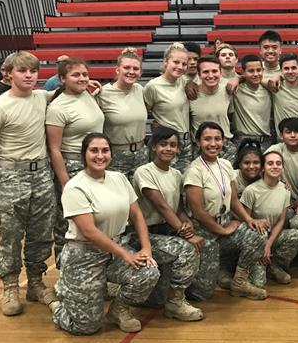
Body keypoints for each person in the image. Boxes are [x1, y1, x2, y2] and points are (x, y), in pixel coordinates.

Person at [47, 133, 160, 334]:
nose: (100, 156)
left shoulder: (119, 179)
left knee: (148, 272)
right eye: (94, 151)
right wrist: (125, 254)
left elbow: (136, 214)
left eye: (105, 151)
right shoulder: (75, 187)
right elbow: (89, 231)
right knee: (86, 327)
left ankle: (118, 311)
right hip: (84, 256)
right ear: (84, 155)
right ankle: (57, 303)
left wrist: (146, 249)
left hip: (114, 251)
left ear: (111, 154)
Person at [0, 51, 55, 316]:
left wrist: (88, 84)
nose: (29, 75)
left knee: (41, 234)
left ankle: (35, 282)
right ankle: (10, 286)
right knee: (10, 235)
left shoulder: (42, 98)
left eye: (33, 71)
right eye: (22, 71)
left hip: (41, 175)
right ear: (9, 74)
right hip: (10, 176)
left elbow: (67, 90)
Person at [184, 122, 267, 300]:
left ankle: (239, 283)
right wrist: (221, 230)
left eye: (217, 139)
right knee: (202, 294)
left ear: (223, 141)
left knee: (258, 234)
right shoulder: (194, 170)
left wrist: (248, 220)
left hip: (225, 224)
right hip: (204, 231)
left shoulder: (226, 165)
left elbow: (233, 200)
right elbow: (198, 212)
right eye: (207, 139)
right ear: (198, 142)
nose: (213, 144)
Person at [132, 126, 205, 321]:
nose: (168, 149)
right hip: (146, 234)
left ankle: (177, 291)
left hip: (168, 230)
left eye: (173, 145)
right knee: (186, 249)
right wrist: (186, 234)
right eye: (163, 144)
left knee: (157, 299)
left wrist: (187, 223)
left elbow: (178, 209)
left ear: (178, 149)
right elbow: (161, 206)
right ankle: (175, 303)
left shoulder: (176, 174)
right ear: (154, 147)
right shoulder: (144, 172)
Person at [46, 57, 105, 260]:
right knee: (69, 222)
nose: (82, 78)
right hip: (72, 166)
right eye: (76, 75)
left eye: (85, 74)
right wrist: (65, 182)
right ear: (62, 78)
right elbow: (54, 149)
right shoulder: (57, 107)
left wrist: (87, 84)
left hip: (94, 164)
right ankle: (64, 267)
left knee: (93, 218)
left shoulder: (87, 94)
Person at [241, 150, 298, 284]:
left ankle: (273, 266)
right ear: (263, 168)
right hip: (255, 238)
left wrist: (268, 244)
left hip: (272, 237)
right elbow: (245, 222)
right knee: (259, 283)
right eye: (270, 163)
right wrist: (262, 244)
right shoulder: (251, 191)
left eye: (278, 164)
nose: (275, 166)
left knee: (295, 235)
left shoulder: (285, 190)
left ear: (283, 168)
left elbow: (281, 220)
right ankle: (253, 266)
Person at [267, 117, 298, 268]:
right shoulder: (275, 150)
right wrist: (278, 182)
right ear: (281, 135)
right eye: (288, 132)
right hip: (282, 203)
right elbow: (263, 170)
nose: (293, 135)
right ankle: (278, 257)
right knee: (278, 217)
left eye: (297, 132)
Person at [98, 48, 147, 181]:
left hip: (141, 154)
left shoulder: (140, 90)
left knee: (140, 192)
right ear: (117, 70)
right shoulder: (102, 93)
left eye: (136, 69)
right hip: (116, 156)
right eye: (126, 67)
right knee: (117, 192)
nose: (131, 72)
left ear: (140, 72)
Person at [144, 42, 193, 173]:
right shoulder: (153, 86)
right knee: (165, 179)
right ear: (166, 61)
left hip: (187, 142)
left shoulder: (184, 81)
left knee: (184, 181)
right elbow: (143, 113)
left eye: (184, 64)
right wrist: (156, 128)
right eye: (176, 62)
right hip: (167, 143)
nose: (180, 67)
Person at [189, 55, 235, 162]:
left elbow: (231, 116)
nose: (211, 75)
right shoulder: (191, 95)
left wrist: (238, 78)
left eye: (214, 71)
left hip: (225, 148)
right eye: (206, 72)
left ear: (221, 73)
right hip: (200, 149)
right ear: (199, 74)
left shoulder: (228, 91)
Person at [232, 54, 274, 151]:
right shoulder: (236, 90)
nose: (256, 74)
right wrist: (237, 78)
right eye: (251, 71)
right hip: (243, 141)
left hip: (266, 141)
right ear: (243, 72)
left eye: (259, 70)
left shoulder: (269, 90)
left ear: (263, 70)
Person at [272, 53, 298, 140]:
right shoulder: (275, 87)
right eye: (286, 68)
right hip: (282, 141)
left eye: (294, 68)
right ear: (281, 70)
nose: (290, 71)